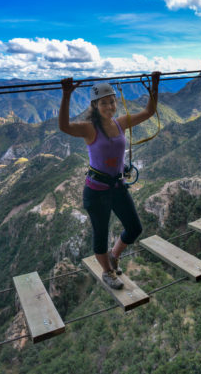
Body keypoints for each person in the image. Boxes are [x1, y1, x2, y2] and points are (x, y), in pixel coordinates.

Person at [59, 73, 161, 289]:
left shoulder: (121, 123)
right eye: (104, 103)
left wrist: (154, 85)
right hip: (96, 192)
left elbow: (149, 112)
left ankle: (114, 256)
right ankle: (107, 272)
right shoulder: (89, 128)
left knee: (134, 228)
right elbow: (64, 127)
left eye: (112, 101)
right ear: (95, 106)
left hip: (117, 186)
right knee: (100, 235)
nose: (110, 106)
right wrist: (66, 95)